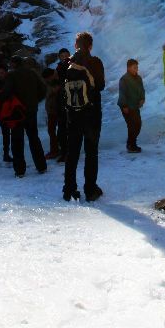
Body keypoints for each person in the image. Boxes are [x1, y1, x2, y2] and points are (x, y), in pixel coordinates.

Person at [63, 31, 105, 202]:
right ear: (90, 46)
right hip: (92, 114)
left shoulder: (66, 64)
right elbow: (100, 86)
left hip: (72, 115)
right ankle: (90, 189)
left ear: (75, 46)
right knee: (91, 153)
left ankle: (69, 189)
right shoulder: (95, 62)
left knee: (72, 153)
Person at [1, 56, 47, 177]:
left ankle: (20, 170)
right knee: (34, 138)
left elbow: (6, 92)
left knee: (17, 140)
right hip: (32, 110)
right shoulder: (32, 73)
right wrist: (35, 101)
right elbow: (43, 89)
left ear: (13, 64)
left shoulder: (12, 75)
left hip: (17, 112)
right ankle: (41, 166)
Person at [117, 58, 145, 153]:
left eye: (137, 67)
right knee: (132, 125)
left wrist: (142, 99)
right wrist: (124, 106)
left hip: (135, 105)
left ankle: (131, 143)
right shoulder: (124, 79)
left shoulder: (139, 78)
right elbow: (122, 93)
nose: (136, 69)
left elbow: (142, 90)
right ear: (129, 68)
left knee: (138, 124)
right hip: (126, 106)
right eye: (134, 68)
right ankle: (131, 145)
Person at [55, 48, 71, 161]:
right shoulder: (59, 67)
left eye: (66, 55)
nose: (65, 57)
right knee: (63, 127)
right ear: (59, 57)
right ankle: (65, 151)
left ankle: (66, 152)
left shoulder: (69, 66)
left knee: (64, 127)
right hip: (63, 99)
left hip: (67, 100)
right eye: (62, 55)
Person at [42, 67, 60, 159]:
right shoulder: (50, 82)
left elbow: (52, 92)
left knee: (52, 130)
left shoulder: (56, 82)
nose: (46, 80)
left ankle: (55, 151)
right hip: (52, 110)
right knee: (52, 130)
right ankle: (56, 149)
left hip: (56, 109)